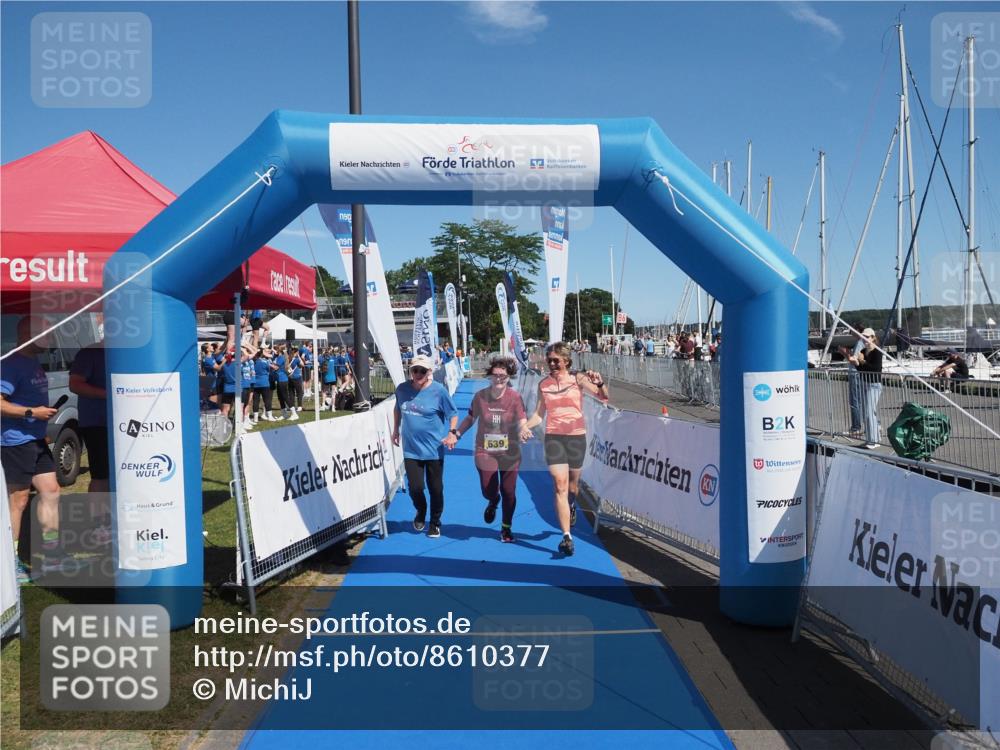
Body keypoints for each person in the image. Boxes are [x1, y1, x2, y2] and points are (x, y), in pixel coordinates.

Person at [523, 342, 608, 556]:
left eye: (556, 360)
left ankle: (571, 505)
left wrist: (600, 383)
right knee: (559, 486)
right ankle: (566, 537)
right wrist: (523, 426)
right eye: (549, 360)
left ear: (566, 361)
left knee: (572, 488)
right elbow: (538, 415)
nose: (551, 363)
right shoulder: (543, 384)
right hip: (554, 438)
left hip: (576, 437)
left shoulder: (578, 379)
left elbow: (603, 396)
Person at [1, 316, 63, 582]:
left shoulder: (32, 362)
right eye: (45, 332)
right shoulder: (11, 364)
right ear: (28, 334)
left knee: (51, 491)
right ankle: (10, 564)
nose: (50, 337)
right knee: (19, 499)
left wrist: (40, 418)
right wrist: (31, 412)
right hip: (16, 441)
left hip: (35, 440)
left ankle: (51, 556)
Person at [454, 357, 527, 543]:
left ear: (509, 377)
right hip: (484, 449)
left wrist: (524, 430)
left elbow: (521, 421)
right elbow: (470, 419)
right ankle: (493, 500)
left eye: (503, 376)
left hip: (510, 451)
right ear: (490, 376)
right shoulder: (480, 396)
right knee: (489, 489)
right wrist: (457, 434)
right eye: (495, 375)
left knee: (509, 491)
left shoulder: (515, 398)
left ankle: (506, 528)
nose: (499, 379)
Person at [392, 355, 458, 539]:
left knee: (436, 488)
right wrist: (395, 430)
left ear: (430, 372)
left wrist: (452, 432)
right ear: (410, 371)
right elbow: (397, 408)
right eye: (415, 370)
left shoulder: (439, 391)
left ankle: (435, 522)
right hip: (411, 449)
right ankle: (421, 510)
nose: (418, 374)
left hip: (434, 450)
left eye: (423, 370)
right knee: (415, 487)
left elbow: (453, 413)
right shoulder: (402, 389)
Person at [852, 328, 883, 449]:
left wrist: (861, 361)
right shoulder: (863, 350)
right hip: (865, 383)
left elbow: (875, 368)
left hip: (874, 385)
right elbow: (862, 370)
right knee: (866, 412)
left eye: (867, 337)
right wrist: (857, 363)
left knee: (870, 412)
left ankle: (874, 440)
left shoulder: (877, 351)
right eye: (863, 336)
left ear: (873, 338)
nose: (864, 339)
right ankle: (871, 438)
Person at [838, 331, 866, 437]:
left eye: (852, 331)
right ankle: (875, 425)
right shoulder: (865, 342)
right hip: (862, 374)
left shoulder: (860, 342)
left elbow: (854, 360)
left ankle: (856, 427)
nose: (851, 334)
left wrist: (844, 352)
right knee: (864, 400)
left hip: (855, 374)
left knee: (855, 401)